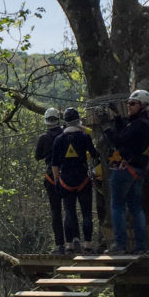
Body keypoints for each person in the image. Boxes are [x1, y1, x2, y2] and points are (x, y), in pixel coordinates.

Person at [103, 89, 149, 255]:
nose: (129, 106)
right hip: (137, 170)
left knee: (117, 206)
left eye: (132, 104)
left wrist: (107, 129)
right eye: (128, 103)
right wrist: (117, 117)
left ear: (143, 105)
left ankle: (120, 244)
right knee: (135, 207)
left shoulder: (140, 125)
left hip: (125, 170)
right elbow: (126, 129)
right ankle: (140, 246)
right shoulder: (143, 123)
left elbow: (120, 140)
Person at [51, 107, 100, 255]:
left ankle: (69, 245)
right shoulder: (84, 137)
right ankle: (87, 245)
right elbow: (94, 154)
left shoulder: (59, 139)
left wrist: (57, 181)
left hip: (65, 179)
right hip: (82, 178)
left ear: (64, 122)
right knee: (86, 213)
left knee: (69, 212)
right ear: (78, 120)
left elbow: (54, 163)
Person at [35, 107, 66, 254]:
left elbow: (37, 156)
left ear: (46, 122)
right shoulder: (65, 134)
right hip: (68, 175)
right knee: (70, 209)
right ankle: (74, 242)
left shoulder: (44, 138)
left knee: (56, 212)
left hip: (51, 176)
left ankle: (60, 244)